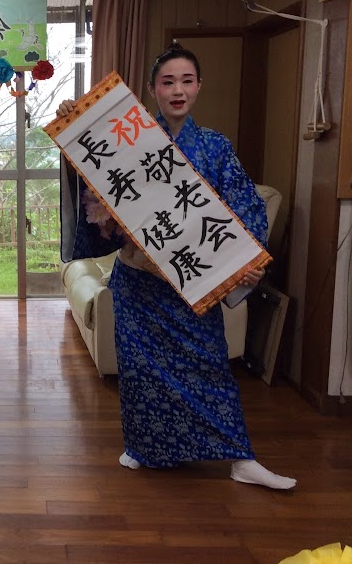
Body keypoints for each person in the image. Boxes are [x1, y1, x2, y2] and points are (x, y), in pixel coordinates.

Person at [56, 43, 296, 490]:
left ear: (199, 86)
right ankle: (143, 448)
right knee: (141, 373)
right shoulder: (130, 139)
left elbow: (244, 206)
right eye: (168, 82)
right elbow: (98, 194)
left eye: (187, 81)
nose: (178, 90)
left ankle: (240, 458)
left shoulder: (214, 146)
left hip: (193, 284)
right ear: (153, 89)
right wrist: (76, 129)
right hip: (139, 282)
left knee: (209, 367)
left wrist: (246, 262)